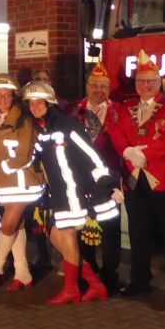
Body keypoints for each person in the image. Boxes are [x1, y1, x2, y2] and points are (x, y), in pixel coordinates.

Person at [23, 81, 120, 304]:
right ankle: (94, 283)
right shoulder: (41, 128)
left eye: (39, 102)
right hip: (57, 193)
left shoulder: (67, 123)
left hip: (74, 191)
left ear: (49, 102)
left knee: (66, 235)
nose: (35, 106)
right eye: (31, 103)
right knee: (56, 235)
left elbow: (91, 154)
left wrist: (103, 184)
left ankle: (71, 289)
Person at [108, 50, 165, 304]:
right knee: (138, 233)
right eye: (141, 81)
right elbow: (116, 132)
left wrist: (145, 154)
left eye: (151, 81)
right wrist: (127, 152)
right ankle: (139, 281)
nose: (146, 85)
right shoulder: (125, 107)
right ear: (135, 84)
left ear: (159, 82)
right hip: (134, 179)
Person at [0, 73, 43, 291]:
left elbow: (24, 155)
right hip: (5, 183)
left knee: (8, 224)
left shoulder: (24, 120)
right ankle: (23, 273)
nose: (3, 99)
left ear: (14, 97)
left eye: (7, 96)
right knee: (17, 225)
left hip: (24, 181)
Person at [69, 62, 124, 293]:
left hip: (109, 178)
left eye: (103, 86)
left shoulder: (120, 111)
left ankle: (110, 274)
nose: (98, 90)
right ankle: (88, 274)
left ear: (109, 88)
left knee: (110, 227)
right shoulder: (72, 111)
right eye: (94, 85)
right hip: (81, 179)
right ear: (87, 86)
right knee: (83, 227)